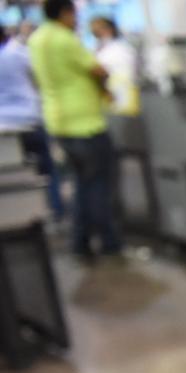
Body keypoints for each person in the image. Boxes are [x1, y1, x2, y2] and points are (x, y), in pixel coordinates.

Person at [28, 0, 120, 256]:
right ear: (65, 13)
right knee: (99, 185)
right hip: (86, 124)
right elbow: (98, 70)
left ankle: (80, 242)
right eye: (74, 15)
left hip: (58, 122)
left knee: (80, 183)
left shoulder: (36, 40)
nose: (77, 21)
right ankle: (109, 242)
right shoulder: (65, 39)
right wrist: (106, 91)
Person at [0, 24, 64, 220]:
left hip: (5, 128)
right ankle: (55, 211)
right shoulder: (18, 54)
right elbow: (39, 77)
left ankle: (23, 215)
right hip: (30, 119)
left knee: (12, 176)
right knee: (47, 170)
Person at [89, 17, 138, 115]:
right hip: (106, 97)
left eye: (99, 29)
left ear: (109, 29)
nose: (96, 33)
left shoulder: (121, 49)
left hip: (121, 94)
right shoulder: (98, 49)